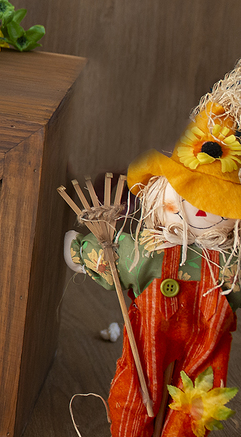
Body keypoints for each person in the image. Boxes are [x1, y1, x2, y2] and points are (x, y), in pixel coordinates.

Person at [66, 61, 241, 437]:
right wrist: (88, 253)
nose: (199, 209)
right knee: (135, 394)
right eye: (187, 194)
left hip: (205, 347)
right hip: (148, 340)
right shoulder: (148, 248)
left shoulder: (230, 265)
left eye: (214, 202)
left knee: (195, 407)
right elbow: (118, 259)